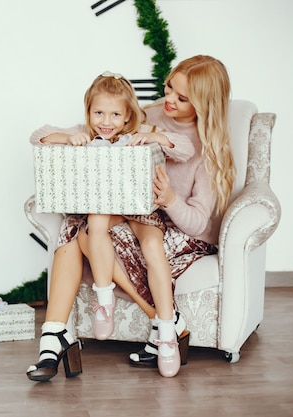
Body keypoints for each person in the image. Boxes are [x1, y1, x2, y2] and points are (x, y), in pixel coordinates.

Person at [26, 70, 197, 381]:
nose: (106, 121)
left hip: (142, 212)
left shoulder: (139, 132)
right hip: (107, 210)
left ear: (128, 115)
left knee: (151, 245)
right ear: (88, 112)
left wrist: (157, 137)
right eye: (98, 113)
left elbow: (184, 148)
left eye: (115, 114)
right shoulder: (87, 134)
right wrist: (69, 138)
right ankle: (103, 298)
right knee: (95, 216)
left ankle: (167, 330)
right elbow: (39, 135)